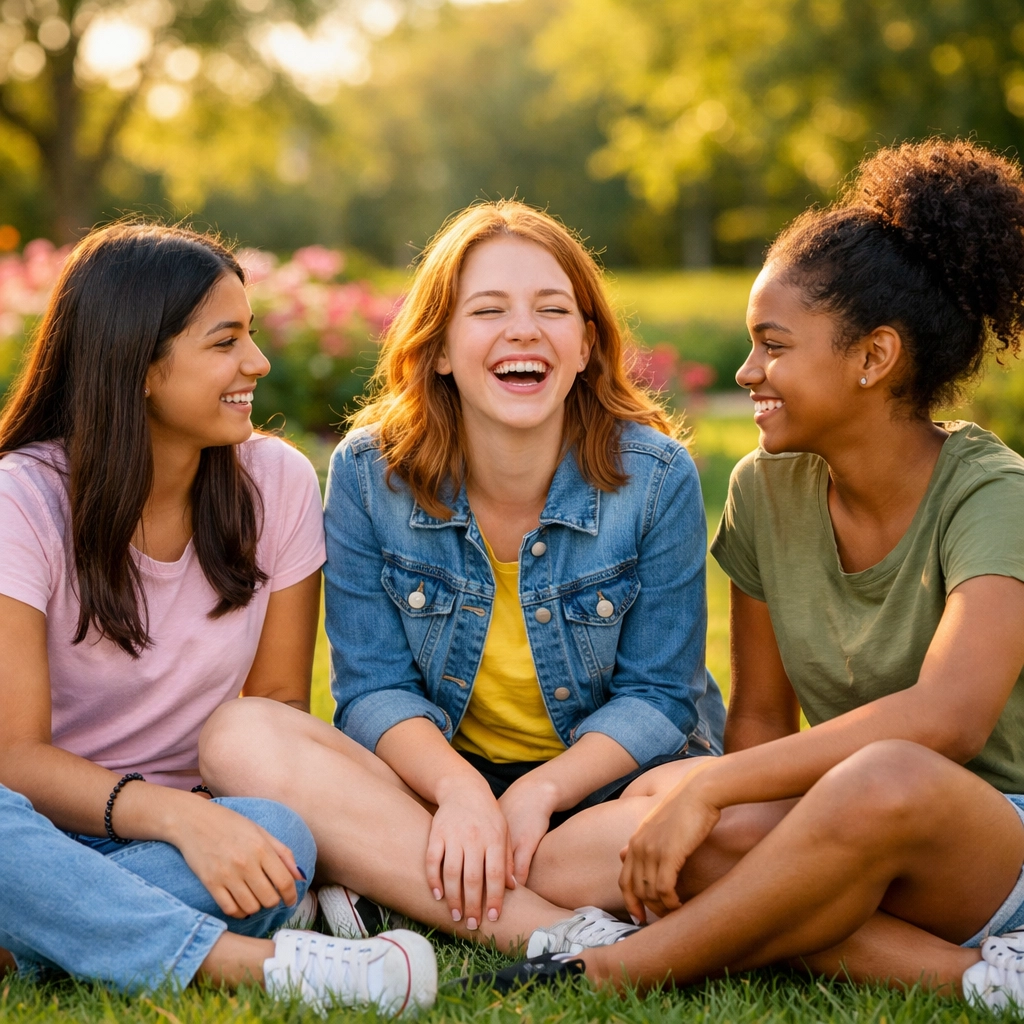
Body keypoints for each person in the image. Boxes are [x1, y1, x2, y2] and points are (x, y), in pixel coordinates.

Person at [498, 140, 1024, 1010]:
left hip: (986, 834)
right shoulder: (763, 489)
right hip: (846, 820)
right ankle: (974, 979)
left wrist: (713, 794)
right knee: (586, 847)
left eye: (772, 347)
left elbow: (949, 721)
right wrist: (710, 803)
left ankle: (625, 967)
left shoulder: (994, 494)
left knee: (874, 774)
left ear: (873, 356)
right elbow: (760, 722)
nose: (748, 374)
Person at [199, 200, 726, 952]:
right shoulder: (366, 472)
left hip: (608, 794)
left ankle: (410, 880)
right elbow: (373, 689)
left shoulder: (656, 476)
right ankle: (555, 926)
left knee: (706, 811)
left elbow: (660, 698)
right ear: (439, 346)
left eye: (553, 308)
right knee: (241, 734)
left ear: (585, 345)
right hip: (437, 790)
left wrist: (539, 793)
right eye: (488, 310)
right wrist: (462, 792)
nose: (524, 330)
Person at [0, 222, 435, 1013]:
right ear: (137, 365)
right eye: (224, 341)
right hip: (37, 825)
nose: (258, 363)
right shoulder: (21, 500)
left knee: (281, 837)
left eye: (254, 335)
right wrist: (170, 817)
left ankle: (38, 925)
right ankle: (259, 967)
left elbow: (274, 709)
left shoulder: (277, 484)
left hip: (195, 829)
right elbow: (14, 757)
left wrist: (201, 824)